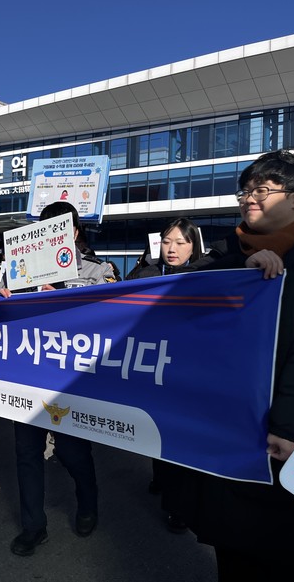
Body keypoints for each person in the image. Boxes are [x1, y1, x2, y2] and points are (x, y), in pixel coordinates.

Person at [167, 150, 294, 581]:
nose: (249, 198)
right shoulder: (227, 261)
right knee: (233, 551)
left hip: (289, 441)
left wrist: (289, 426)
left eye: (262, 190)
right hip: (228, 432)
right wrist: (237, 279)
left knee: (287, 550)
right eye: (246, 191)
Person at [1, 201, 116, 556]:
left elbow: (113, 318)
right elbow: (1, 320)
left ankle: (88, 503)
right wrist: (3, 298)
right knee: (26, 453)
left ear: (74, 232)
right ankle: (33, 526)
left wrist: (67, 301)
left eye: (58, 228)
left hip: (71, 381)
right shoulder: (16, 273)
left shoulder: (97, 271)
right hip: (27, 376)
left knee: (72, 451)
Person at [125, 218, 206, 534]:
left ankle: (177, 507)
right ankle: (161, 478)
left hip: (186, 373)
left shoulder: (206, 276)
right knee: (156, 432)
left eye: (181, 243)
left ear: (193, 246)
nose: (172, 249)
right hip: (152, 370)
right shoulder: (145, 274)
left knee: (179, 441)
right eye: (167, 241)